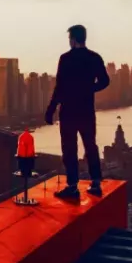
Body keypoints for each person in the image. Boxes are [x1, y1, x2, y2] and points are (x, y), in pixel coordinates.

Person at [45, 24, 110, 199]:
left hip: (68, 111)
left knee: (69, 148)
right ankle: (96, 183)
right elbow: (105, 81)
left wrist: (50, 110)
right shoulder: (94, 58)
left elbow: (59, 87)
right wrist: (89, 88)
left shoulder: (65, 59)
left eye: (69, 39)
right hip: (87, 110)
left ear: (73, 39)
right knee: (90, 146)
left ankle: (72, 186)